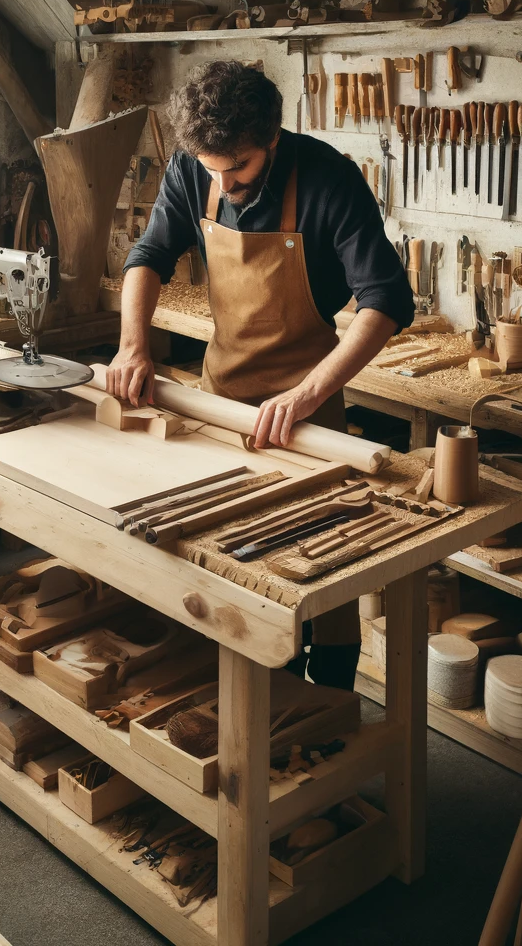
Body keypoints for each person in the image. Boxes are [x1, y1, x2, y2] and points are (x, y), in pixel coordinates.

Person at [106, 60, 414, 689]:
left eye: (238, 167)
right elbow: (148, 257)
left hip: (308, 412)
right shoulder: (196, 166)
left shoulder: (330, 179)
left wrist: (306, 393)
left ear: (272, 138)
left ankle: (326, 709)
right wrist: (133, 345)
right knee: (224, 566)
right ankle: (239, 705)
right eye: (213, 168)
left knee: (321, 576)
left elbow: (385, 301)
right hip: (220, 404)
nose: (224, 180)